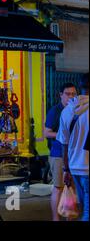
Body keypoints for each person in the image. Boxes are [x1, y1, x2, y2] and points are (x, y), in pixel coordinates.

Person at [57, 73, 89, 221]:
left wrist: (66, 170)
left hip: (75, 168)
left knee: (85, 208)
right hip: (88, 169)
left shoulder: (67, 111)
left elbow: (64, 144)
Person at [44, 82, 77, 221]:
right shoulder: (55, 111)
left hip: (73, 155)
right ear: (60, 95)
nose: (70, 97)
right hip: (58, 154)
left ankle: (68, 217)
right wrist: (63, 135)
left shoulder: (76, 110)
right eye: (67, 94)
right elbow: (46, 133)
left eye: (73, 94)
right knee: (58, 187)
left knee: (71, 188)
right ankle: (55, 218)